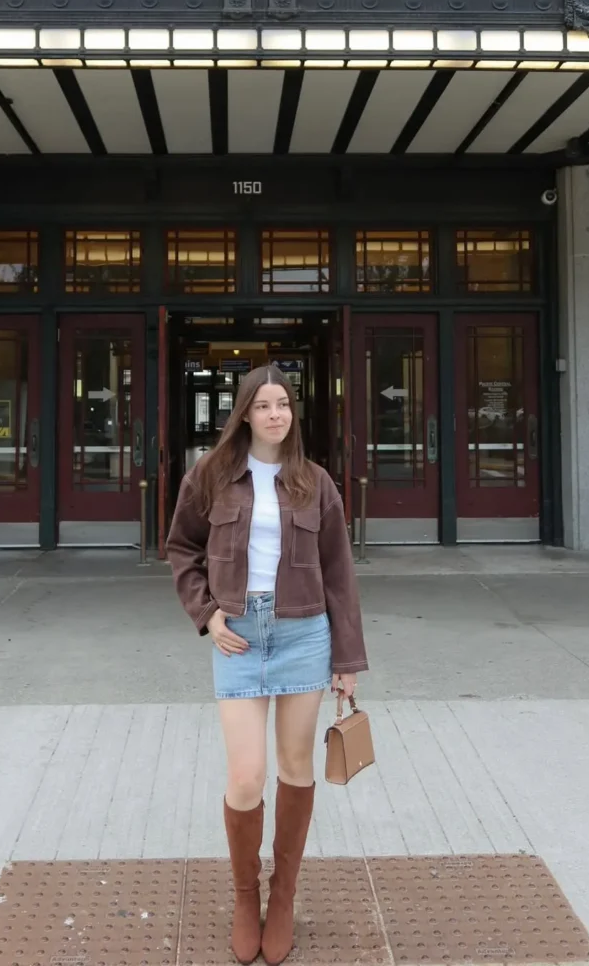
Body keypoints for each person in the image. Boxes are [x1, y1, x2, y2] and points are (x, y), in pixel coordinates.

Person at [167, 364, 368, 966]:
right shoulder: (209, 477)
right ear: (244, 413)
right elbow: (181, 549)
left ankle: (283, 898)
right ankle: (244, 894)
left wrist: (347, 658)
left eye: (284, 403)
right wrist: (207, 615)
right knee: (248, 776)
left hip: (305, 633)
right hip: (240, 637)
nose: (275, 413)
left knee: (296, 765)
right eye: (263, 404)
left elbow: (340, 572)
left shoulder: (316, 483)